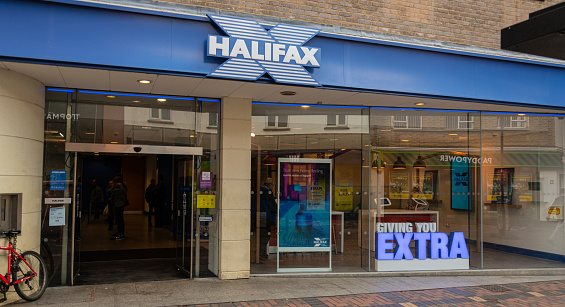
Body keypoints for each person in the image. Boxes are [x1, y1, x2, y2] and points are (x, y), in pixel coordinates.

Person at [259, 178, 277, 260]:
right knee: (266, 234)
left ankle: (260, 251)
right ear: (270, 185)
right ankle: (261, 251)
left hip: (259, 215)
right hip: (267, 216)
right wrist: (276, 211)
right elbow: (272, 206)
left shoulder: (258, 190)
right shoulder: (267, 192)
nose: (273, 187)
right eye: (273, 185)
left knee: (260, 234)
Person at [108, 175, 128, 240]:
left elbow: (109, 190)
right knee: (120, 220)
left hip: (118, 206)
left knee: (119, 220)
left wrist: (115, 185)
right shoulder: (122, 188)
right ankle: (120, 233)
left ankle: (120, 234)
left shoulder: (119, 189)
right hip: (120, 205)